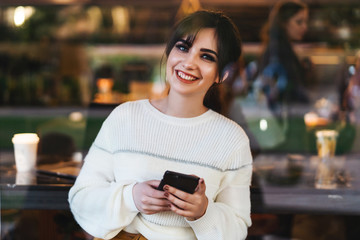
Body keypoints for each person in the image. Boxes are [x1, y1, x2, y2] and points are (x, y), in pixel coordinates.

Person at [68, 10, 253, 240]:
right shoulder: (124, 117)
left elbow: (238, 229)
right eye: (183, 47)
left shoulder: (232, 140)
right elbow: (81, 199)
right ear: (169, 51)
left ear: (222, 74)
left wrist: (203, 212)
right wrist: (131, 198)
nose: (189, 62)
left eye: (207, 57)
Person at [253, 0, 310, 113]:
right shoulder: (277, 50)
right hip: (284, 118)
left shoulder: (280, 47)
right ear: (284, 23)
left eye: (305, 22)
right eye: (299, 22)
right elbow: (285, 88)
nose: (305, 27)